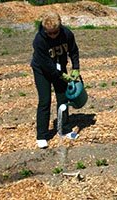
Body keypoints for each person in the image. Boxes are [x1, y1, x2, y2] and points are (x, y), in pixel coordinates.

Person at [31, 12, 80, 149]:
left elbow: (74, 51)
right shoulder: (39, 41)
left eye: (55, 32)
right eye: (49, 33)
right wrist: (62, 75)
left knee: (63, 99)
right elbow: (47, 65)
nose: (53, 35)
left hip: (59, 68)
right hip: (42, 71)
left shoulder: (67, 34)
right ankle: (41, 135)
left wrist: (76, 68)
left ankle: (65, 129)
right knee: (45, 100)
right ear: (45, 30)